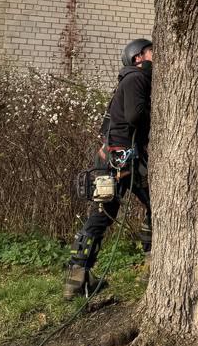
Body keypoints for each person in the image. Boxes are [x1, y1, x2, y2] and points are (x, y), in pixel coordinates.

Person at [63, 37, 153, 299]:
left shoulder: (127, 81)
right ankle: (151, 265)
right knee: (155, 204)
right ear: (138, 58)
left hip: (113, 159)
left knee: (102, 214)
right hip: (124, 160)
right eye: (151, 52)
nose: (156, 56)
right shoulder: (136, 79)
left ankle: (77, 278)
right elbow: (136, 116)